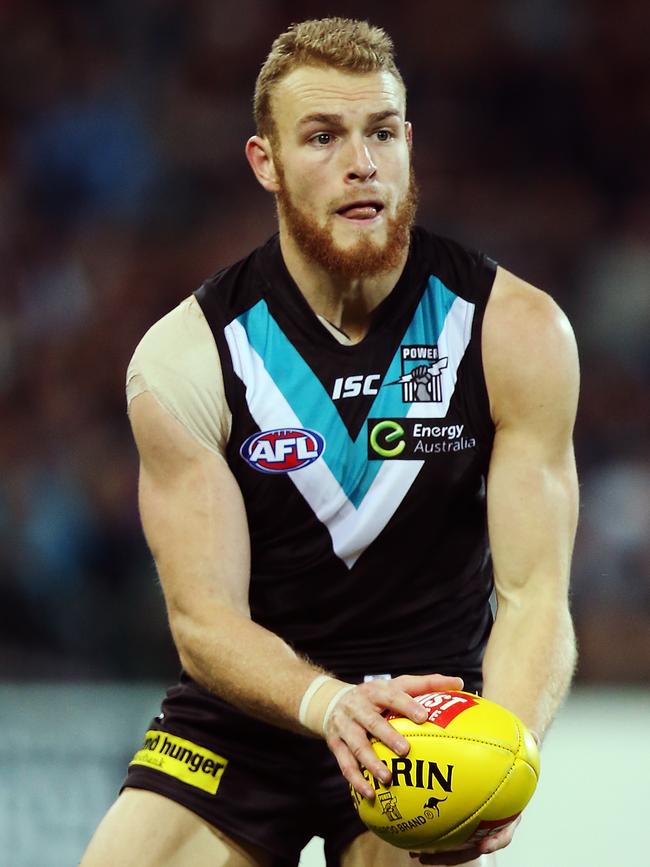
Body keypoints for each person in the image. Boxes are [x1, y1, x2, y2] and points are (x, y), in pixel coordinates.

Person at [79, 17, 579, 867]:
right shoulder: (186, 360)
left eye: (382, 132)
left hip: (427, 727)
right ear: (264, 162)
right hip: (251, 717)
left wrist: (507, 754)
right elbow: (204, 622)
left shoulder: (514, 330)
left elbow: (537, 599)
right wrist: (328, 702)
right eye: (323, 136)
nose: (363, 163)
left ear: (410, 142)